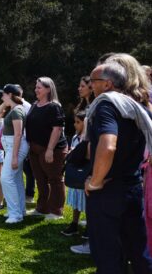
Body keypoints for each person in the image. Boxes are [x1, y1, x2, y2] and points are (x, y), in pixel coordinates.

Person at [83, 61, 152, 272]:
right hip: (133, 187)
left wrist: (94, 182)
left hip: (108, 191)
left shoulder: (107, 104)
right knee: (139, 253)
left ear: (108, 84)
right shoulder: (136, 106)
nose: (90, 85)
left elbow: (108, 145)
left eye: (93, 81)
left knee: (108, 257)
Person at [25, 77, 68, 220]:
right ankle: (42, 208)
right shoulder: (34, 105)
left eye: (39, 87)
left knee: (55, 180)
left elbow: (57, 129)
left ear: (49, 89)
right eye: (36, 87)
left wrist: (50, 149)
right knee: (40, 179)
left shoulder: (54, 106)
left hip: (52, 149)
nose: (36, 90)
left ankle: (56, 211)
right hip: (34, 149)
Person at [0, 84, 29, 224]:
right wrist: (7, 101)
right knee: (16, 180)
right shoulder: (13, 108)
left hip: (16, 147)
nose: (1, 96)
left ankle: (15, 214)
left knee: (6, 178)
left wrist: (14, 156)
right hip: (12, 147)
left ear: (10, 94)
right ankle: (19, 210)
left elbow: (18, 134)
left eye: (3, 94)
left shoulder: (16, 111)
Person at [62, 111, 87, 237]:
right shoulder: (75, 137)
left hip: (85, 172)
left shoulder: (89, 139)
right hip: (76, 172)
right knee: (76, 199)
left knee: (88, 200)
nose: (75, 125)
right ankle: (74, 223)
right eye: (75, 122)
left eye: (78, 122)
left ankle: (89, 225)